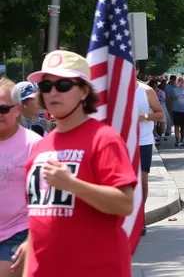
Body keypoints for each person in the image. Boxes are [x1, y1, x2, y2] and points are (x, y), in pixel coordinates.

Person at [21, 50, 137, 276]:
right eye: (46, 86)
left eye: (63, 85)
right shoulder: (40, 147)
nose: (53, 92)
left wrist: (73, 185)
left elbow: (125, 203)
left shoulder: (104, 139)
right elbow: (36, 217)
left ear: (84, 91)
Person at [0, 79, 42, 277]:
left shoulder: (33, 145)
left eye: (3, 109)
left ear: (17, 109)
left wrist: (32, 239)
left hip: (17, 233)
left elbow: (43, 200)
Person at [134, 64, 165, 236]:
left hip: (143, 140)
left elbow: (160, 114)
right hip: (122, 142)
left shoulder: (146, 91)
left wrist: (143, 117)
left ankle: (141, 215)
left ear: (137, 71)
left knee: (142, 178)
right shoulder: (115, 91)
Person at [171, 77, 184, 147]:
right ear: (177, 82)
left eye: (182, 81)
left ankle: (182, 140)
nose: (181, 83)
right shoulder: (174, 90)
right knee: (176, 125)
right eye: (179, 81)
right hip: (176, 110)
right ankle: (177, 140)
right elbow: (171, 99)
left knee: (183, 126)